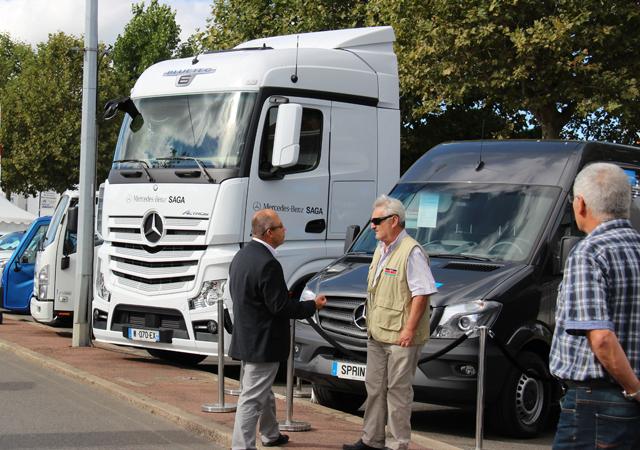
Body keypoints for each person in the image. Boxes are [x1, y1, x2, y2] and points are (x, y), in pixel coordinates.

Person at [550, 163, 640, 449]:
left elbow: (600, 337)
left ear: (581, 204)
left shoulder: (589, 252)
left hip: (598, 400)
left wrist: (633, 389)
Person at [344, 195, 438, 450]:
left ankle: (397, 444)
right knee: (374, 389)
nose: (372, 225)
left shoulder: (412, 251)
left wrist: (409, 330)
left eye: (377, 220)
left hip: (400, 337)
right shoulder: (381, 248)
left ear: (394, 220)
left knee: (398, 392)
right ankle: (371, 440)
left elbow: (422, 293)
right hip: (377, 334)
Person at [229, 208, 326, 450]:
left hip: (248, 337)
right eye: (281, 226)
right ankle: (241, 446)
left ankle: (270, 434)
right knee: (251, 397)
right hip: (264, 341)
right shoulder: (268, 263)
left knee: (262, 389)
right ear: (270, 232)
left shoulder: (242, 256)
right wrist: (311, 306)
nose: (285, 230)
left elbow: (251, 295)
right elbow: (280, 307)